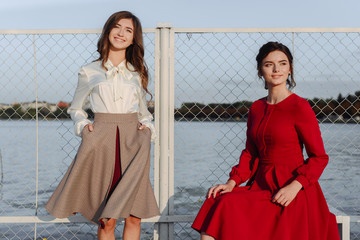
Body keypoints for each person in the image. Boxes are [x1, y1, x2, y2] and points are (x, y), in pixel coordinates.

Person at [191, 42, 340, 240]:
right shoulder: (256, 108)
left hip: (291, 189)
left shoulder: (300, 107)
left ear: (290, 69)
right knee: (216, 200)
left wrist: (295, 186)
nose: (277, 69)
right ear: (261, 71)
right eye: (269, 64)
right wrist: (232, 182)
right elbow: (251, 153)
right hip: (261, 185)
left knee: (230, 208)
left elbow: (319, 157)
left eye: (282, 63)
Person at [46, 11, 160, 240]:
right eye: (117, 27)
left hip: (134, 142)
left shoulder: (137, 72)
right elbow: (76, 108)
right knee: (106, 220)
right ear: (108, 30)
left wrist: (148, 129)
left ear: (133, 38)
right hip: (101, 142)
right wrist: (83, 126)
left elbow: (143, 112)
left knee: (134, 216)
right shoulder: (89, 71)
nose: (121, 33)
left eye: (128, 30)